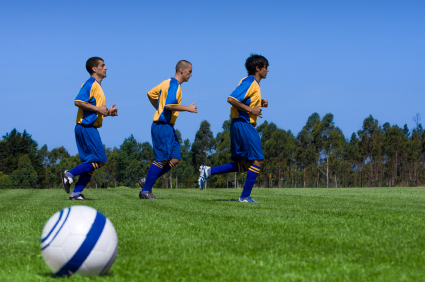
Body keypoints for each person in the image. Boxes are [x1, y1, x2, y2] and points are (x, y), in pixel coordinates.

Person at [198, 54, 269, 203]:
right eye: (265, 67)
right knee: (258, 160)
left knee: (244, 165)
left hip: (239, 123)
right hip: (244, 124)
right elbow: (231, 99)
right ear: (257, 68)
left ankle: (209, 171)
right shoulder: (250, 81)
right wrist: (251, 110)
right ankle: (244, 197)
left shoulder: (251, 83)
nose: (267, 71)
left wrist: (259, 103)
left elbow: (242, 100)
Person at [139, 60, 197, 199]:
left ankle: (147, 181)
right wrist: (187, 108)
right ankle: (145, 191)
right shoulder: (174, 85)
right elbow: (170, 105)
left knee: (175, 158)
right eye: (190, 71)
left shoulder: (166, 82)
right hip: (162, 125)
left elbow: (150, 94)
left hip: (167, 126)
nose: (191, 75)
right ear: (182, 70)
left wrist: (159, 108)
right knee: (161, 159)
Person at [61, 57, 118, 200]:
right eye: (103, 65)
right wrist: (98, 108)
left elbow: (93, 110)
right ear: (94, 68)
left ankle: (76, 194)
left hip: (86, 127)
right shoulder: (90, 83)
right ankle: (69, 174)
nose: (106, 68)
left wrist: (107, 113)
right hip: (86, 128)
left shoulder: (98, 86)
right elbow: (78, 101)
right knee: (101, 160)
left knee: (91, 164)